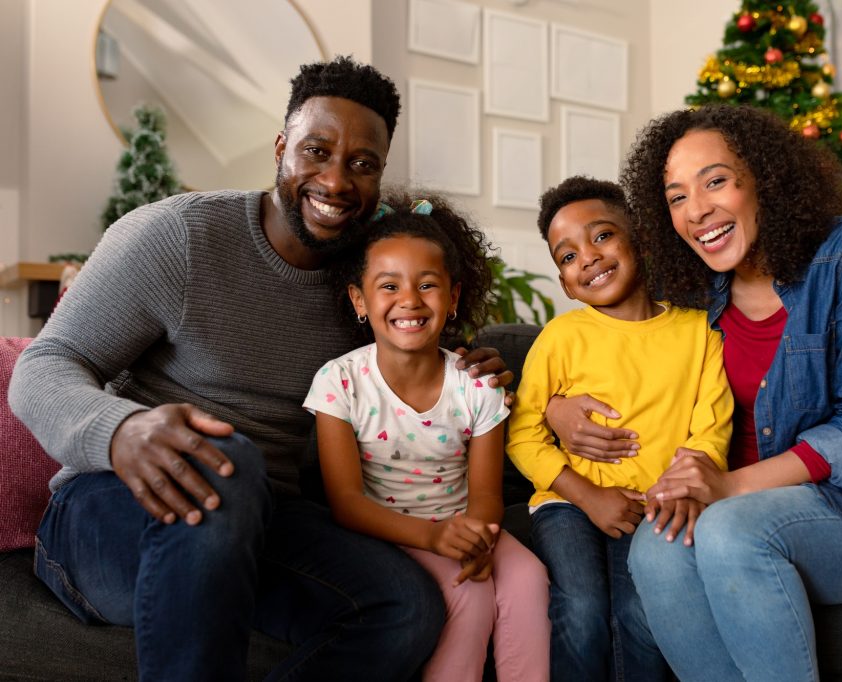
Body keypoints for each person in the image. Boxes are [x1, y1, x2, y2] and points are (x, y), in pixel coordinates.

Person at [8, 56, 513, 681]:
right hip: (114, 512)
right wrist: (118, 430)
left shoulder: (363, 279)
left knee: (402, 607)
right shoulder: (180, 238)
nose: (336, 179)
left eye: (362, 164)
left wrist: (464, 365)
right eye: (316, 151)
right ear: (281, 148)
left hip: (268, 518)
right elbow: (47, 364)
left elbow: (407, 364)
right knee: (230, 462)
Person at [545, 104, 842, 680]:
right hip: (733, 501)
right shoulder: (691, 285)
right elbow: (609, 341)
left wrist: (729, 486)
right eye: (677, 197)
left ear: (764, 179)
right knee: (656, 547)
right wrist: (555, 408)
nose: (697, 210)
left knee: (727, 530)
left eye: (716, 181)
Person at [304, 192, 551, 682]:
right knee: (470, 595)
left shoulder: (477, 384)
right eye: (388, 285)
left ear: (453, 297)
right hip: (390, 531)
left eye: (428, 285)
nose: (410, 301)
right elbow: (347, 502)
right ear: (360, 299)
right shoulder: (340, 382)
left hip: (464, 525)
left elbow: (485, 494)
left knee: (528, 578)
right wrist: (435, 538)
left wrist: (477, 536)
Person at [506, 175, 733, 681]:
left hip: (657, 508)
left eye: (602, 236)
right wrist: (587, 495)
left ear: (641, 239)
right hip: (568, 503)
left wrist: (676, 491)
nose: (587, 258)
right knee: (583, 609)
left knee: (643, 615)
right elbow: (522, 434)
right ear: (565, 283)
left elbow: (710, 429)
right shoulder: (562, 337)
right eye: (567, 257)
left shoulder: (700, 332)